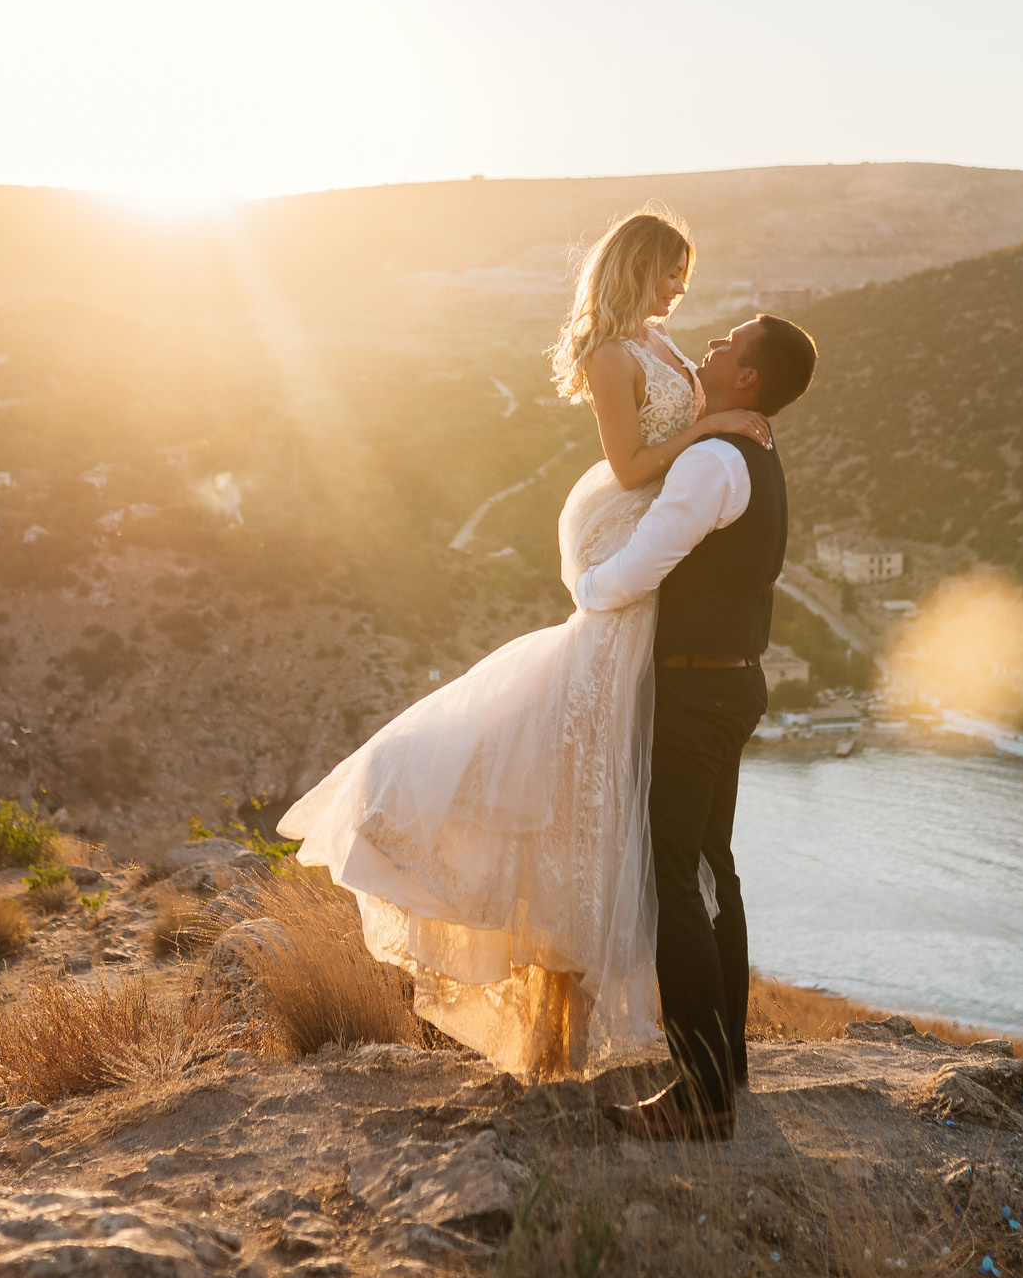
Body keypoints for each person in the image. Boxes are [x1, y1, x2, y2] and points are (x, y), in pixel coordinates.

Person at [277, 209, 771, 1075]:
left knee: (610, 782)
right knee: (579, 760)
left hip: (650, 557)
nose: (679, 291)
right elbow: (626, 466)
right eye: (670, 274)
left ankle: (586, 1033)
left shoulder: (664, 344)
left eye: (684, 278)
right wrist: (711, 431)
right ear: (637, 265)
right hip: (623, 535)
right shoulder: (609, 355)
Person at [577, 312, 817, 1142]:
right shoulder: (755, 453)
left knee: (675, 878)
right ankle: (728, 1066)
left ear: (746, 379)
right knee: (716, 871)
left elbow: (641, 567)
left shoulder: (714, 462)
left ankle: (701, 1095)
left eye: (729, 343)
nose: (711, 344)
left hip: (696, 695)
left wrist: (584, 587)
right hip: (734, 685)